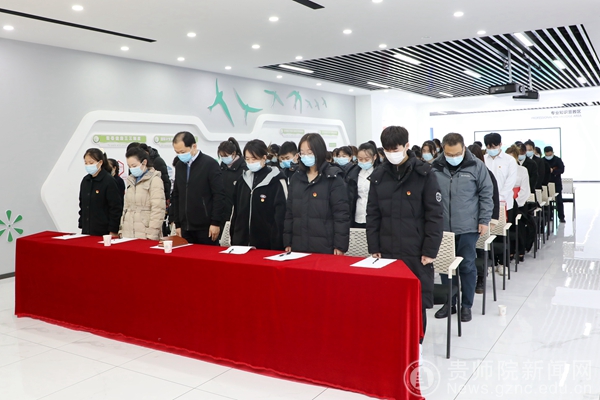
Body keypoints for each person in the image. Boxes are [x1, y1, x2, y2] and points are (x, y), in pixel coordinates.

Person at [367, 126, 443, 342]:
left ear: (407, 146)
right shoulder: (378, 176)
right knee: (388, 301)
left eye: (396, 149)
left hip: (416, 252)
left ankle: (416, 346)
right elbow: (373, 215)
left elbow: (435, 215)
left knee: (416, 302)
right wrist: (374, 247)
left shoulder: (424, 174)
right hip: (387, 250)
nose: (392, 154)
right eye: (387, 150)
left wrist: (430, 250)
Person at [431, 133, 493, 322]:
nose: (454, 157)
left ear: (464, 148)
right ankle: (449, 302)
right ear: (443, 150)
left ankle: (466, 305)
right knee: (445, 266)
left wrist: (484, 220)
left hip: (468, 226)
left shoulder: (476, 166)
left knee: (466, 265)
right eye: (449, 154)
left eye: (457, 153)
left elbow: (486, 193)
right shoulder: (435, 167)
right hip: (442, 227)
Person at [283, 133, 350, 255]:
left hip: (325, 246)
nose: (306, 156)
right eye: (302, 153)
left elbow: (341, 215)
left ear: (319, 152)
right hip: (298, 245)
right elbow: (289, 213)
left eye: (309, 152)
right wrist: (287, 241)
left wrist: (340, 245)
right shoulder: (296, 178)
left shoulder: (333, 178)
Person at [230, 140, 287, 250]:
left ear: (264, 158)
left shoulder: (276, 181)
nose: (250, 162)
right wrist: (234, 237)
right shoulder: (242, 180)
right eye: (247, 159)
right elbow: (235, 212)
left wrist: (278, 243)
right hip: (241, 243)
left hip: (266, 245)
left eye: (254, 159)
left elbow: (281, 216)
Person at [171, 131, 225, 245]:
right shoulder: (180, 166)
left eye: (183, 152)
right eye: (177, 152)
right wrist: (177, 223)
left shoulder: (210, 164)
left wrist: (215, 222)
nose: (180, 155)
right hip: (185, 227)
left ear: (194, 146)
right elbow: (176, 195)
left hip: (206, 227)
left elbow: (219, 195)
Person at [468, 144, 500, 294]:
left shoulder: (487, 173)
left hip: (482, 219)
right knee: (467, 252)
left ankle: (481, 278)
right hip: (467, 219)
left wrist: (492, 219)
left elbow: (494, 197)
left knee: (480, 249)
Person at [119, 147, 166, 240]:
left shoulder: (155, 180)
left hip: (145, 233)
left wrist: (152, 235)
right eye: (129, 166)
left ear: (144, 162)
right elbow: (126, 207)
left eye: (134, 165)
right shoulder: (130, 180)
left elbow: (158, 209)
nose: (132, 169)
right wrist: (121, 229)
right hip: (128, 232)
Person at [79, 148, 123, 237]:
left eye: (91, 163)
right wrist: (82, 224)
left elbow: (116, 208)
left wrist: (113, 230)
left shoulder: (109, 181)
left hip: (104, 231)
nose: (88, 165)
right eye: (86, 163)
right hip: (87, 229)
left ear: (100, 162)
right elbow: (82, 204)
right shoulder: (85, 180)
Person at [505, 145, 532, 260]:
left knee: (519, 225)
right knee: (508, 226)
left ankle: (520, 249)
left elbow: (525, 190)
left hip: (519, 202)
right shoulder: (503, 170)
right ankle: (509, 250)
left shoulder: (522, 170)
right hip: (506, 202)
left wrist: (515, 203)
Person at [484, 133, 517, 220]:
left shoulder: (509, 160)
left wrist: (499, 197)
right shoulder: (483, 160)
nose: (491, 150)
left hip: (504, 202)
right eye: (489, 147)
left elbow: (510, 182)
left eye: (494, 147)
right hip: (486, 203)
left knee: (504, 227)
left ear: (500, 144)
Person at [218, 138, 246, 227]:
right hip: (222, 211)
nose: (223, 158)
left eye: (225, 155)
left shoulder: (244, 169)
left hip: (237, 212)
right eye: (221, 156)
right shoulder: (221, 167)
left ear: (233, 153)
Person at [351, 141, 379, 228]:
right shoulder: (352, 173)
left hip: (374, 216)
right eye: (360, 159)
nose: (363, 162)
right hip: (357, 216)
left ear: (374, 157)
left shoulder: (380, 173)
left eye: (367, 159)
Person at [544, 146, 566, 222]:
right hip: (546, 184)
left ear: (552, 153)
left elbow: (562, 170)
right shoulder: (543, 160)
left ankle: (561, 217)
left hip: (556, 183)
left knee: (559, 201)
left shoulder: (557, 160)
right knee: (547, 201)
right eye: (547, 155)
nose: (548, 156)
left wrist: (553, 171)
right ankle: (549, 216)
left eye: (550, 155)